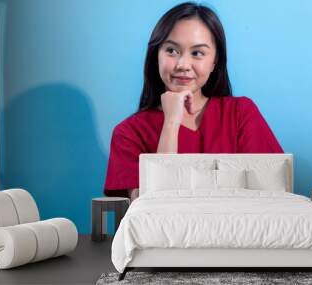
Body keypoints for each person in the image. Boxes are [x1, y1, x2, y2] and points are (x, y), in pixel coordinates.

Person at [104, 2, 284, 202]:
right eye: (171, 50)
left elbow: (271, 194)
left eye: (197, 53)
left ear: (215, 61)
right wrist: (171, 123)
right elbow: (152, 208)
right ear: (156, 55)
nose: (183, 65)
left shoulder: (240, 113)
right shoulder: (128, 133)